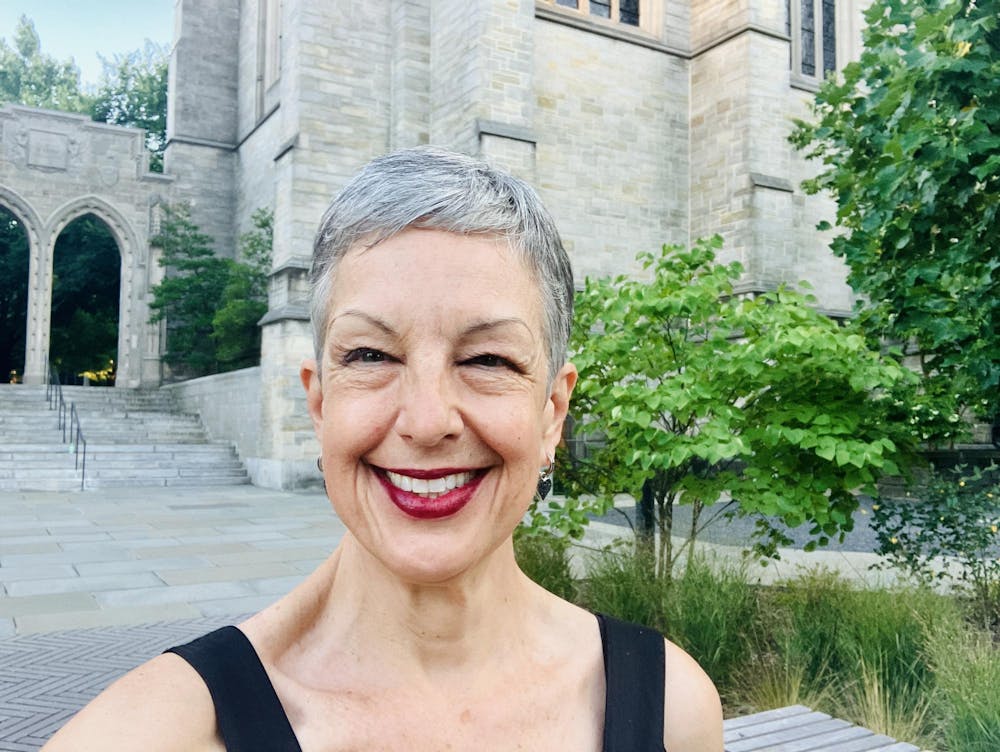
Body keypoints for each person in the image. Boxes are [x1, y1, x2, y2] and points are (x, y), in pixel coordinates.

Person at [42, 147, 723, 751]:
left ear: (552, 412)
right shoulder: (162, 732)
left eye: (487, 359)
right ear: (319, 402)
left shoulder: (671, 710)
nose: (427, 422)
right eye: (370, 353)